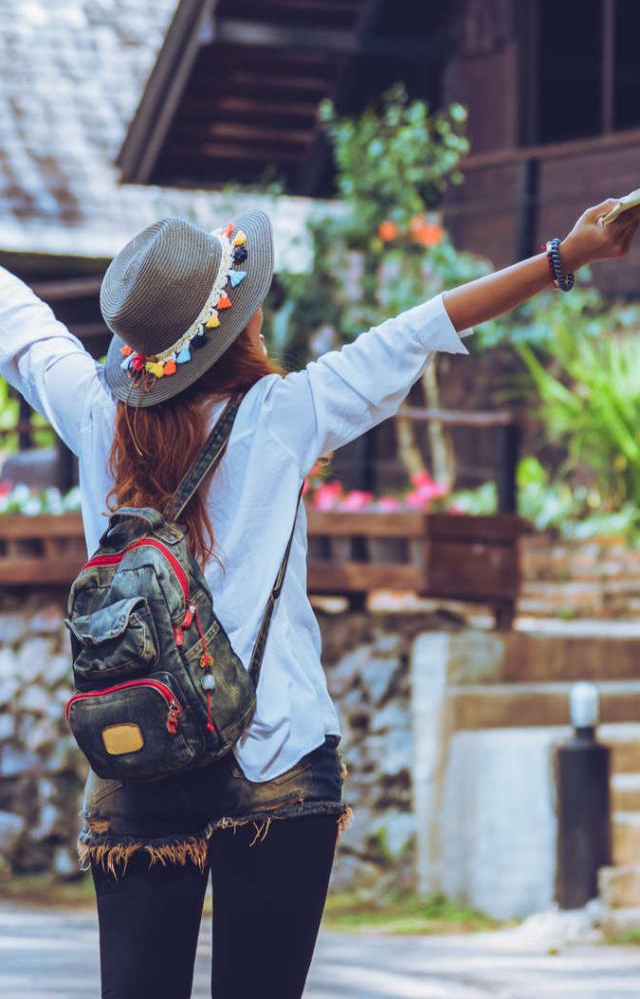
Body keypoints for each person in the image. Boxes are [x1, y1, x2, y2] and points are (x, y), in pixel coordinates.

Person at [0, 198, 636, 998]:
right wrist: (564, 256)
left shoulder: (95, 414)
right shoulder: (283, 413)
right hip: (276, 760)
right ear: (234, 326)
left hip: (139, 751)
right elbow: (416, 329)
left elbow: (17, 322)